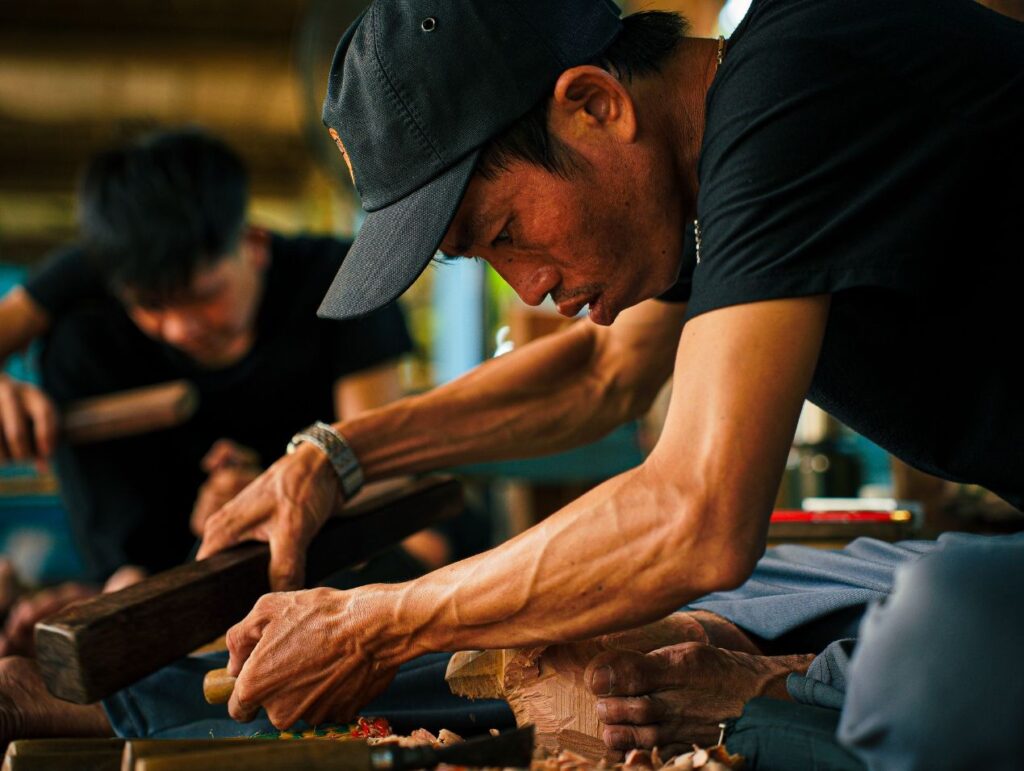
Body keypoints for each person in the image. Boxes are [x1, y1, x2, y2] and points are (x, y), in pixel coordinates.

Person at [192, 0, 1022, 766]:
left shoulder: (795, 88)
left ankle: (791, 693)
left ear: (594, 104)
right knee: (738, 592)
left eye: (507, 232)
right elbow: (600, 372)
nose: (525, 289)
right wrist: (333, 454)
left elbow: (698, 516)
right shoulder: (703, 183)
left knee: (941, 626)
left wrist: (376, 624)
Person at [0, 129, 437, 656]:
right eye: (151, 308)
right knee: (70, 342)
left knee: (423, 549)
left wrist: (283, 494)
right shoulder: (102, 277)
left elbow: (382, 479)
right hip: (158, 571)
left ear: (252, 243)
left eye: (203, 297)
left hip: (324, 548)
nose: (180, 329)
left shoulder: (340, 278)